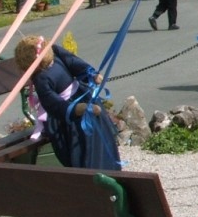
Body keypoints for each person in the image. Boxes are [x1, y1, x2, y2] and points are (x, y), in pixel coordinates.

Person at [14, 35, 122, 171]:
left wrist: (90, 73)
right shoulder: (40, 78)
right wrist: (73, 109)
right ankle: (90, 172)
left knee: (101, 135)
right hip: (68, 115)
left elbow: (72, 61)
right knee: (83, 144)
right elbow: (51, 102)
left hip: (82, 96)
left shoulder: (55, 51)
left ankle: (112, 168)